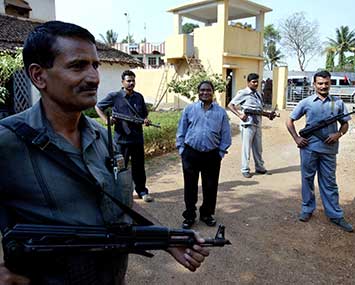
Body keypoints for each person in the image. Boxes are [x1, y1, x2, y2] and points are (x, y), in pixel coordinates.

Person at [0, 21, 209, 285]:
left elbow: (119, 207)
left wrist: (166, 238)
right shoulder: (8, 141)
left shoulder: (103, 138)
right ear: (39, 76)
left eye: (95, 65)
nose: (93, 77)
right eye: (78, 66)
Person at [285, 70, 353, 232]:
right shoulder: (306, 102)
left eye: (326, 83)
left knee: (329, 182)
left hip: (329, 150)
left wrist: (338, 134)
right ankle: (307, 209)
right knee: (307, 180)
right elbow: (289, 121)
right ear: (314, 84)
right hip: (308, 148)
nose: (323, 86)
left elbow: (345, 124)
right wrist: (296, 138)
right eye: (320, 83)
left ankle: (335, 214)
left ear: (330, 84)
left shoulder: (338, 103)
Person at [176, 81, 231, 229]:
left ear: (213, 92)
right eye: (202, 90)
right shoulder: (189, 109)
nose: (205, 92)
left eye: (208, 90)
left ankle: (206, 214)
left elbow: (226, 135)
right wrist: (182, 149)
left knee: (210, 187)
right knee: (190, 186)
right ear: (198, 92)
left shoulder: (220, 113)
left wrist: (220, 152)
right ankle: (189, 216)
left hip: (211, 155)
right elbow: (181, 130)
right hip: (190, 153)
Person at [95, 70, 153, 203]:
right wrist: (106, 120)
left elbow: (144, 114)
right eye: (128, 80)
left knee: (139, 167)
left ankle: (142, 191)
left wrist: (146, 120)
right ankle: (119, 193)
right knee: (120, 168)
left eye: (133, 80)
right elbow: (98, 107)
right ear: (122, 82)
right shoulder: (114, 96)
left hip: (137, 138)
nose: (131, 83)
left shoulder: (139, 97)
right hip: (121, 140)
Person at [228, 73, 276, 178]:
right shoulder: (243, 93)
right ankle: (245, 169)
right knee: (246, 148)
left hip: (257, 122)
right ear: (248, 82)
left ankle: (259, 167)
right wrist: (240, 115)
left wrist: (268, 115)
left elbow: (258, 110)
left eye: (257, 82)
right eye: (253, 82)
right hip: (247, 124)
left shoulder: (258, 94)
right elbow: (231, 105)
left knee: (258, 148)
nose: (256, 84)